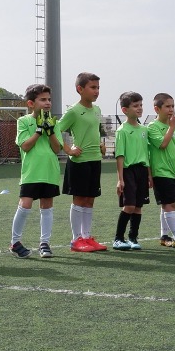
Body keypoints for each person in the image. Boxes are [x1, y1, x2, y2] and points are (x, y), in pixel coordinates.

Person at [11, 83, 62, 258]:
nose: (47, 103)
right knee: (25, 205)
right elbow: (25, 146)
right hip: (32, 171)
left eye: (49, 99)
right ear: (31, 103)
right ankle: (15, 242)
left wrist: (51, 130)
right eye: (42, 100)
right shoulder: (23, 121)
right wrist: (39, 130)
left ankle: (44, 243)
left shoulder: (54, 122)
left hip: (50, 171)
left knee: (47, 206)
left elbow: (56, 149)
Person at [59, 72, 107, 252]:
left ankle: (87, 237)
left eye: (98, 88)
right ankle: (76, 239)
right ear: (80, 89)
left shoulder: (97, 110)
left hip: (95, 159)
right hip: (79, 162)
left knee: (90, 199)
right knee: (79, 199)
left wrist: (101, 145)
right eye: (93, 87)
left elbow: (94, 131)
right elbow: (56, 130)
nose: (96, 91)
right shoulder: (73, 111)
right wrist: (68, 149)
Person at [146, 92, 175, 248]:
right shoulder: (153, 127)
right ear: (157, 109)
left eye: (173, 106)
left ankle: (164, 236)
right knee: (169, 204)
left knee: (169, 204)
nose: (171, 109)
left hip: (173, 172)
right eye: (167, 106)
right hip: (161, 172)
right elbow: (163, 144)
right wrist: (172, 126)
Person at [111, 91, 149, 250]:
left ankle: (133, 238)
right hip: (128, 171)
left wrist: (149, 175)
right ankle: (118, 238)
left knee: (139, 206)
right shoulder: (122, 131)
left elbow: (147, 154)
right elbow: (120, 155)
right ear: (125, 109)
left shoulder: (143, 130)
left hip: (142, 171)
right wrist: (120, 179)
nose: (139, 108)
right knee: (129, 206)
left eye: (141, 105)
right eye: (135, 106)